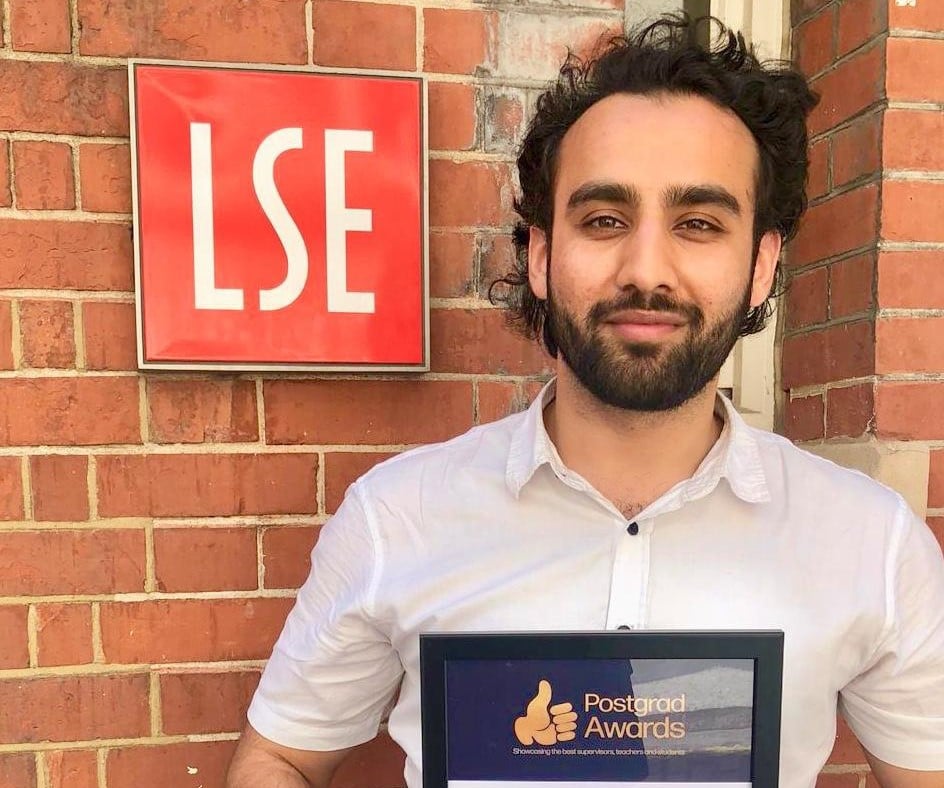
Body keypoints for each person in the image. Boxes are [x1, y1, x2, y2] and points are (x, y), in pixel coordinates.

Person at [226, 14, 944, 788]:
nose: (646, 269)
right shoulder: (397, 517)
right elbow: (281, 758)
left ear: (761, 265)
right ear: (541, 254)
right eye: (604, 220)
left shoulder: (870, 543)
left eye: (699, 224)